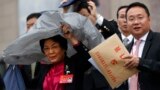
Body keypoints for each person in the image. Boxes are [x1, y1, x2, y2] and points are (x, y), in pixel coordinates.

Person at [34, 22, 91, 90]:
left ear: (63, 48)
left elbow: (89, 58)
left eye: (54, 47)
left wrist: (71, 37)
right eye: (46, 48)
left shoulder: (74, 64)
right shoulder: (43, 67)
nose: (51, 52)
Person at [122, 2, 160, 90]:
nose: (136, 22)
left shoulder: (158, 40)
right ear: (127, 23)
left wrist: (141, 62)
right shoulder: (125, 48)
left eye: (140, 17)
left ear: (149, 19)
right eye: (131, 19)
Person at [19, 12, 42, 89]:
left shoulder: (51, 48)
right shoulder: (24, 51)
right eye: (28, 27)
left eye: (33, 25)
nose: (30, 29)